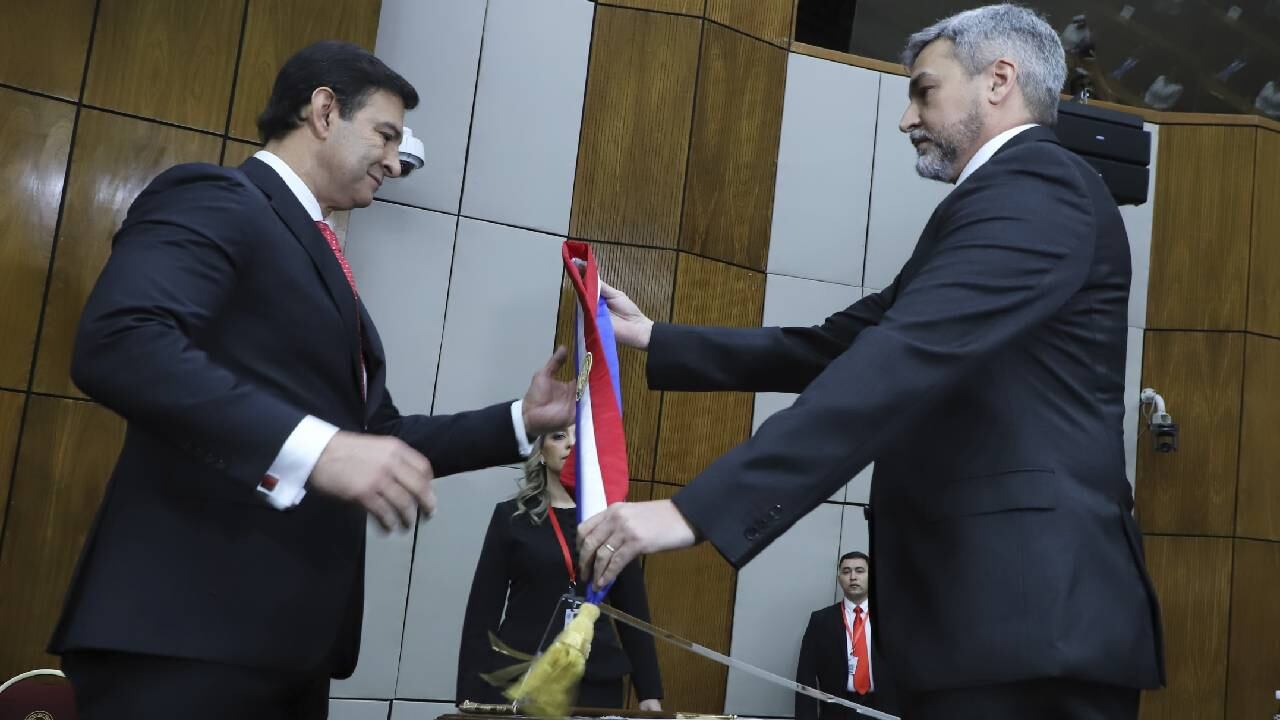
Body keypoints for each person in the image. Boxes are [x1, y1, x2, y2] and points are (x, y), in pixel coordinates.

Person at [576, 5, 1164, 719]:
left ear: (998, 80)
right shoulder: (1003, 201)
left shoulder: (1039, 187)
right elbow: (844, 344)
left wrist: (693, 511)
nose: (907, 118)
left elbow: (902, 354)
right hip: (989, 627)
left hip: (1028, 626)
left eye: (924, 91)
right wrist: (656, 339)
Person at [48, 40, 575, 719]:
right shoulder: (217, 196)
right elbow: (120, 342)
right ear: (324, 111)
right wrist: (316, 449)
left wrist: (519, 422)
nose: (395, 161)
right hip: (185, 632)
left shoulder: (316, 246)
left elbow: (373, 435)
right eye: (386, 135)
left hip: (288, 646)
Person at [457, 427, 663, 710]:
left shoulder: (614, 522)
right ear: (541, 452)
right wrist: (470, 693)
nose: (570, 446)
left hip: (595, 678)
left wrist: (649, 693)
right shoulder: (511, 518)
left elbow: (634, 613)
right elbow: (483, 611)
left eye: (580, 439)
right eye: (558, 437)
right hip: (522, 675)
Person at [795, 552, 898, 718]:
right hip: (837, 713)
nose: (853, 577)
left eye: (859, 571)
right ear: (839, 578)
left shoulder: (892, 619)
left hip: (886, 712)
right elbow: (805, 677)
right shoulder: (821, 620)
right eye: (846, 571)